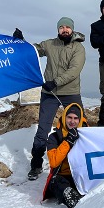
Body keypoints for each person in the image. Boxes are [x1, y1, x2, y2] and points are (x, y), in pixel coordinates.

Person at [13, 17, 86, 181]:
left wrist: (55, 82)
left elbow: (74, 70)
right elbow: (33, 52)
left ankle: (82, 162)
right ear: (58, 29)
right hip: (49, 93)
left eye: (67, 27)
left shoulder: (78, 48)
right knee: (42, 129)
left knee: (81, 127)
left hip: (70, 92)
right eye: (61, 27)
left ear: (72, 29)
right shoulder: (49, 44)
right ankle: (36, 165)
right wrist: (21, 42)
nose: (65, 30)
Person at [42, 103, 86, 208]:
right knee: (58, 184)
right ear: (64, 117)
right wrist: (68, 141)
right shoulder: (54, 137)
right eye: (69, 117)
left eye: (76, 118)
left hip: (81, 175)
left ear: (80, 119)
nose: (72, 121)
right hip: (62, 176)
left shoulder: (87, 136)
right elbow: (54, 162)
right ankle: (73, 201)